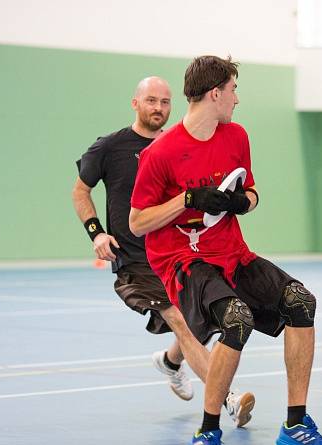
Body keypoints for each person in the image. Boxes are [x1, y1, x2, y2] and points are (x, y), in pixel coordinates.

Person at [129, 58, 322, 445]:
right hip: (183, 260)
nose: (237, 99)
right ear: (215, 94)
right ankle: (208, 431)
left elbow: (252, 190)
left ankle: (294, 425)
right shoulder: (162, 153)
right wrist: (187, 199)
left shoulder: (236, 136)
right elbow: (138, 222)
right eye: (233, 90)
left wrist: (243, 203)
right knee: (236, 319)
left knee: (300, 301)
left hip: (232, 252)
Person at [71, 76, 255, 428]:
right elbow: (81, 190)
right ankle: (226, 399)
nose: (159, 108)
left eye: (165, 102)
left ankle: (170, 362)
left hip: (180, 254)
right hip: (135, 261)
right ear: (135, 103)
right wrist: (96, 234)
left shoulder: (179, 145)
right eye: (152, 101)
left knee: (208, 322)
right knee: (181, 320)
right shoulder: (109, 147)